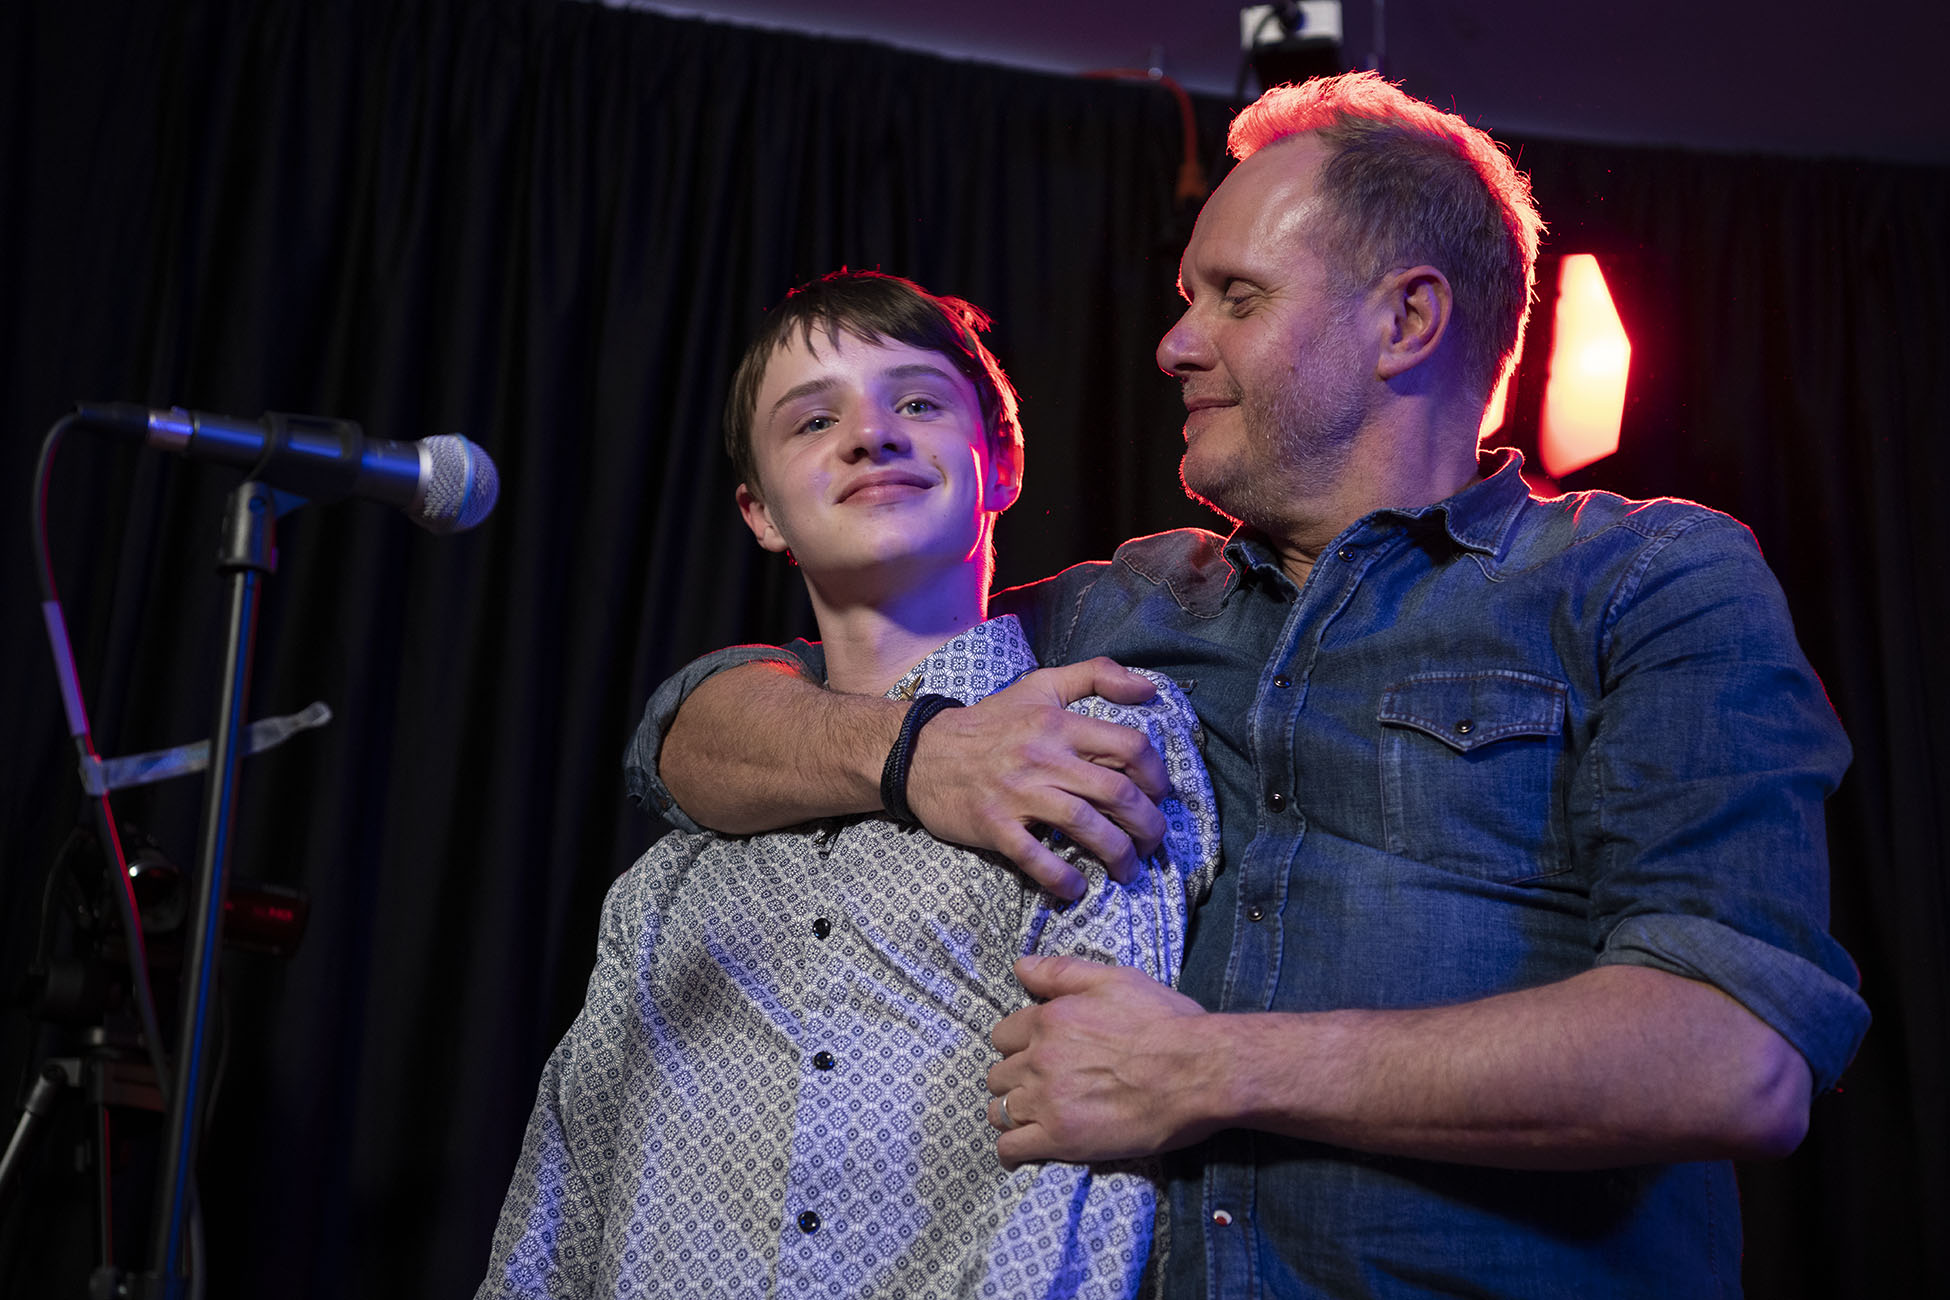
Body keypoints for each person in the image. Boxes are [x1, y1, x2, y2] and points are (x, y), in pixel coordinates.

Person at [633, 74, 1869, 1296]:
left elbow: (1729, 1054)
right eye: (1187, 300)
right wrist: (922, 754)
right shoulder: (1117, 610)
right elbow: (691, 730)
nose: (1173, 345)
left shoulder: (1642, 579)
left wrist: (1210, 1069)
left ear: (1408, 321)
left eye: (1236, 296)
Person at [478, 271, 1219, 1298]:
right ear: (760, 511)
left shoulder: (1092, 735)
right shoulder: (672, 872)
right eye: (813, 420)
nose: (871, 436)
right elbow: (570, 1175)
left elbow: (1092, 1163)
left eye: (916, 402)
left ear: (1000, 459)